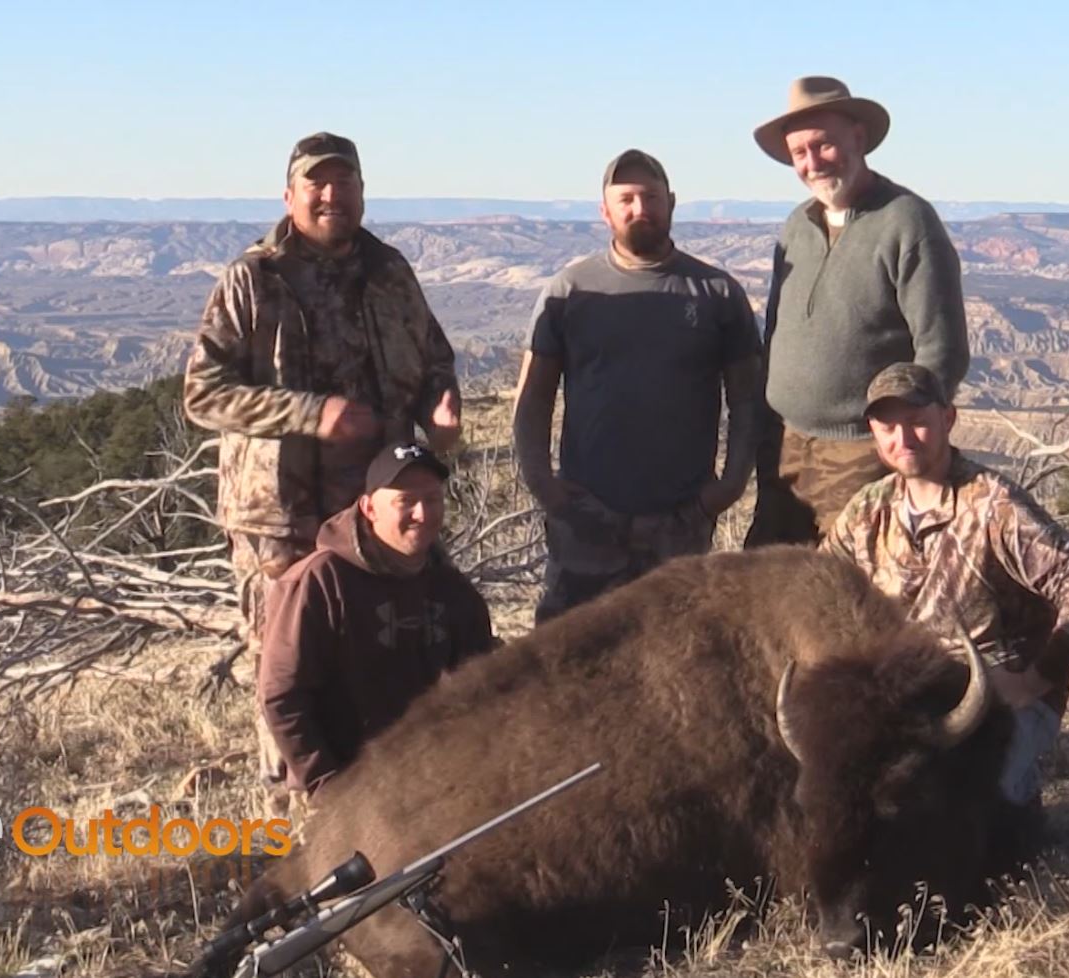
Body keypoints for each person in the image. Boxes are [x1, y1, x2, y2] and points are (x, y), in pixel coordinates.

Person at [182, 131, 463, 792]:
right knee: (288, 669)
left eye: (345, 183)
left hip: (381, 511)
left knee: (391, 656)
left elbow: (435, 357)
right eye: (318, 184)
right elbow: (202, 392)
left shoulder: (390, 271)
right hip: (283, 516)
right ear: (291, 195)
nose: (332, 195)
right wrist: (312, 414)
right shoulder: (253, 279)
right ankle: (297, 816)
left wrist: (442, 404)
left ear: (363, 192)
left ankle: (390, 808)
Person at [821, 363, 1069, 827]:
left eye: (918, 420)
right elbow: (820, 593)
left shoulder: (993, 504)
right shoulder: (867, 510)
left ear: (948, 419)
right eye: (888, 426)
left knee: (964, 817)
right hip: (907, 697)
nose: (904, 438)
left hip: (996, 702)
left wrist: (1032, 683)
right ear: (874, 433)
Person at [512, 149, 761, 623]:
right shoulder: (570, 289)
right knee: (572, 655)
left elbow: (747, 399)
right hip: (588, 517)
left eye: (650, 196)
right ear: (604, 211)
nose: (639, 208)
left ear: (671, 203)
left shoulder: (717, 293)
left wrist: (727, 488)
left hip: (681, 519)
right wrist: (546, 487)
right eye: (625, 198)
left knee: (679, 655)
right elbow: (534, 396)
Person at [746, 76, 970, 546]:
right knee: (775, 590)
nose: (812, 163)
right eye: (798, 154)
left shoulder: (907, 220)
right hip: (784, 448)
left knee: (850, 592)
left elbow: (941, 350)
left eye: (823, 145)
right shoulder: (795, 226)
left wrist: (903, 443)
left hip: (862, 453)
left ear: (859, 138)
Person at [259, 442, 496, 797]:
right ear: (369, 508)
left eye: (432, 499)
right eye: (405, 502)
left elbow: (484, 684)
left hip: (432, 784)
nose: (422, 513)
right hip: (342, 789)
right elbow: (281, 695)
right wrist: (327, 787)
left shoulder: (453, 591)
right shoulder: (321, 581)